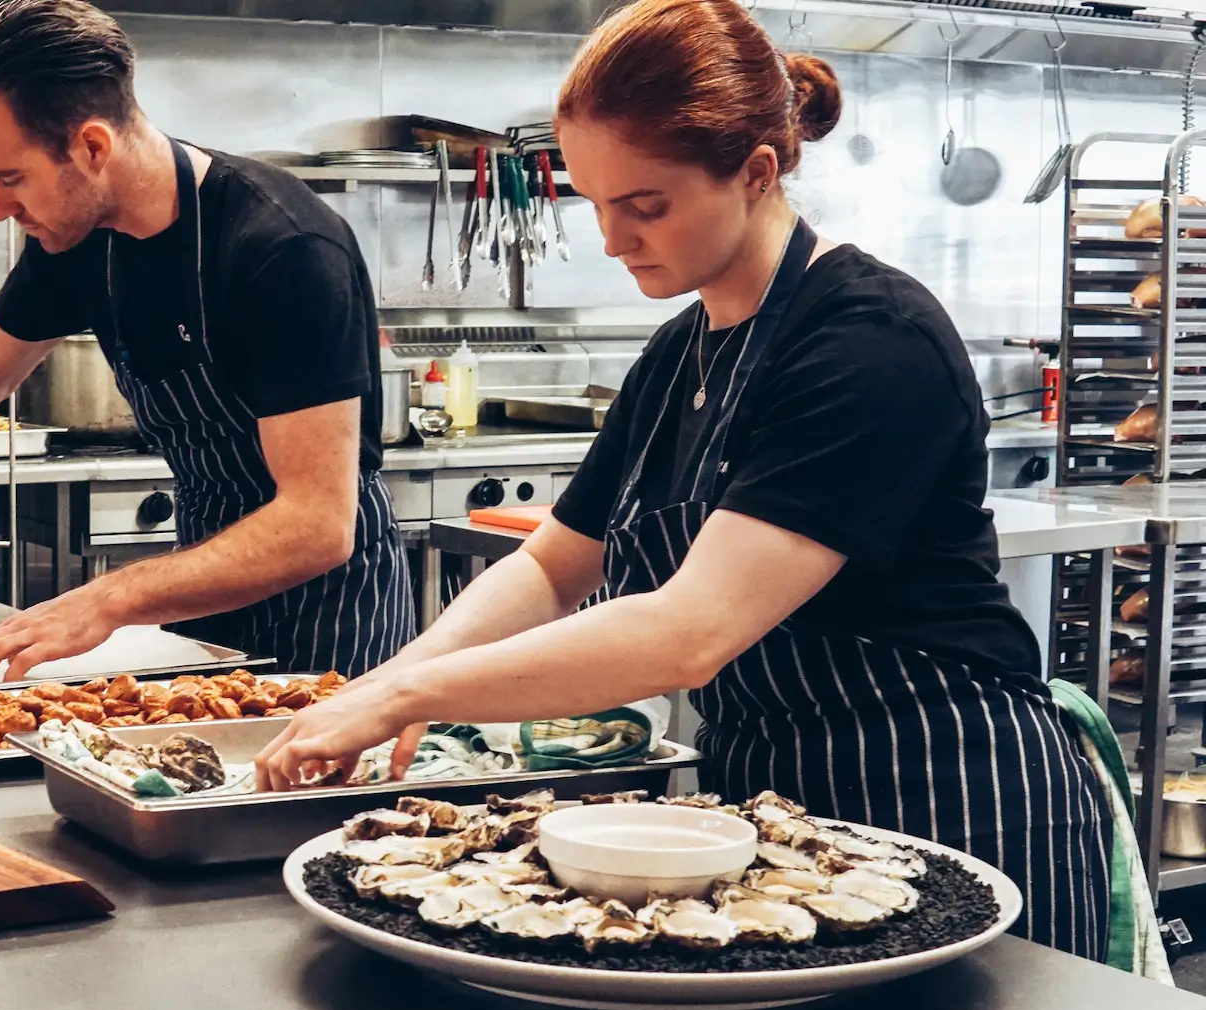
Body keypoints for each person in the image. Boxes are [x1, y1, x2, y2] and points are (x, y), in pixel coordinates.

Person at [256, 0, 1111, 959]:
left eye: (645, 205)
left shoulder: (869, 340)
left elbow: (689, 633)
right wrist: (395, 679)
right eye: (594, 203)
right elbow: (552, 567)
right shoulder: (677, 356)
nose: (613, 239)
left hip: (948, 789)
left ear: (756, 172)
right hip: (772, 814)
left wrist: (411, 699)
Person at [0, 0, 413, 685]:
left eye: (11, 178)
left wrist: (106, 600)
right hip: (203, 591)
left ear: (93, 147)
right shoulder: (78, 238)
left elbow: (315, 524)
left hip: (331, 621)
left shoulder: (281, 249)